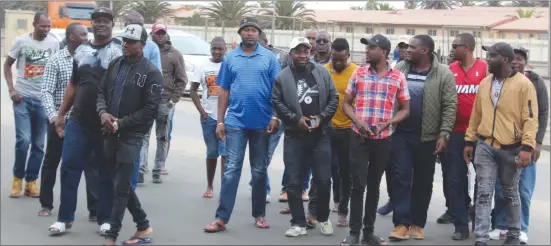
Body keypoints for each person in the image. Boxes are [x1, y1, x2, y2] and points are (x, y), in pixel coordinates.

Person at [203, 17, 281, 233]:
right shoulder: (230, 59)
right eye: (246, 30)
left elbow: (277, 91)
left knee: (259, 170)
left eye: (253, 30)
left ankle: (259, 215)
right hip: (235, 122)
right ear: (240, 33)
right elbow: (223, 90)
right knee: (231, 170)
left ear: (259, 34)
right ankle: (221, 218)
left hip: (262, 123)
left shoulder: (269, 58)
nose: (249, 33)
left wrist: (276, 117)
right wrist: (220, 120)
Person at [48, 7, 120, 236]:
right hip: (78, 121)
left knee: (104, 172)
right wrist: (61, 115)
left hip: (105, 123)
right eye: (96, 21)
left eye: (105, 21)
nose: (100, 24)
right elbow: (73, 85)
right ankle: (64, 219)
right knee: (69, 167)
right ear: (92, 24)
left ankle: (105, 218)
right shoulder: (82, 51)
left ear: (112, 24)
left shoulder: (119, 51)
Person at [463, 42, 539, 246]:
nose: (487, 59)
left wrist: (527, 147)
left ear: (505, 59)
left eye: (492, 56)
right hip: (486, 145)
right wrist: (469, 140)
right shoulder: (486, 83)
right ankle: (481, 236)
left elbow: (531, 119)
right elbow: (476, 114)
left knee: (510, 192)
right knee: (484, 192)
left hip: (511, 148)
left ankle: (514, 233)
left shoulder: (524, 85)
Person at [340, 35, 410, 246]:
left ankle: (368, 232)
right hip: (359, 137)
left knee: (374, 185)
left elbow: (406, 109)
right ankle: (354, 233)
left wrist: (388, 123)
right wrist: (357, 121)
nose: (367, 51)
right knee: (358, 185)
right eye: (367, 47)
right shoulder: (359, 73)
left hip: (383, 139)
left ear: (384, 52)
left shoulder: (397, 77)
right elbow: (346, 104)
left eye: (372, 47)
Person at [96, 23, 161, 246]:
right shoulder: (115, 64)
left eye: (132, 42)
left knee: (120, 188)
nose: (126, 45)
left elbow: (149, 111)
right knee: (120, 183)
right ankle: (143, 226)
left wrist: (120, 123)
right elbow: (101, 92)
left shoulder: (151, 72)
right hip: (109, 132)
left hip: (132, 136)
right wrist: (103, 114)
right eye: (125, 40)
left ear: (143, 45)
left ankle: (111, 236)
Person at [389, 35, 457, 241]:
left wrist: (443, 134)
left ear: (425, 51)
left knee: (423, 181)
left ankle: (417, 223)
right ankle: (401, 223)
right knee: (400, 178)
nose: (407, 50)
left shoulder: (443, 73)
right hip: (401, 134)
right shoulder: (400, 68)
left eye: (412, 47)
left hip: (427, 137)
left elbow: (449, 106)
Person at [271, 36, 339, 237]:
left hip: (320, 136)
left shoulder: (322, 72)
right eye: (298, 51)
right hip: (295, 136)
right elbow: (277, 101)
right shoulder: (282, 77)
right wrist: (295, 119)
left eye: (305, 51)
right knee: (294, 181)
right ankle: (298, 222)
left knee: (324, 180)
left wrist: (322, 117)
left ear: (310, 52)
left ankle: (323, 218)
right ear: (291, 54)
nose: (302, 55)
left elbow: (334, 98)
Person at [39, 23, 100, 220]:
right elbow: (46, 91)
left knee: (91, 165)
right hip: (60, 120)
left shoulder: (91, 60)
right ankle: (46, 204)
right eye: (82, 34)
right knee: (52, 161)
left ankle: (95, 209)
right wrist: (55, 117)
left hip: (83, 121)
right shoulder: (56, 60)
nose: (86, 37)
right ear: (72, 37)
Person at [488, 45, 549, 245]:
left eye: (520, 58)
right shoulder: (497, 81)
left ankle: (521, 227)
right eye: (512, 57)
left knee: (523, 189)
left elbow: (541, 114)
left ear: (525, 61)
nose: (515, 61)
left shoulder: (535, 81)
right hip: (502, 145)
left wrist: (536, 143)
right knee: (500, 187)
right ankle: (500, 225)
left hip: (526, 145)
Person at [4, 12, 59, 198]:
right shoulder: (21, 41)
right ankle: (17, 179)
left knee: (38, 144)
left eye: (48, 26)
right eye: (42, 26)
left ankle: (31, 182)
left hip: (43, 100)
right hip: (23, 99)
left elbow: (56, 70)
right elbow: (7, 65)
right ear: (34, 25)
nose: (46, 29)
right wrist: (12, 90)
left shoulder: (53, 43)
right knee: (24, 140)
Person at [438, 33, 487, 240]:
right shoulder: (450, 70)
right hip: (455, 133)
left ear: (466, 48)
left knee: (482, 179)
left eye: (455, 46)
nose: (452, 49)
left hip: (480, 134)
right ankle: (460, 224)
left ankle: (477, 216)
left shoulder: (485, 69)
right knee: (455, 179)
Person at [135, 22, 187, 185]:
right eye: (158, 33)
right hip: (147, 101)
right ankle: (142, 168)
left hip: (165, 101)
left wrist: (173, 100)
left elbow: (181, 79)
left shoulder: (174, 54)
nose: (160, 35)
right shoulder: (145, 50)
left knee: (162, 137)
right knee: (143, 135)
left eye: (163, 33)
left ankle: (158, 169)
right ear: (152, 34)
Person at [122, 11, 164, 188]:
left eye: (139, 24)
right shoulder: (119, 42)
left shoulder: (151, 47)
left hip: (142, 101)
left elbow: (157, 75)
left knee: (142, 137)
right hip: (120, 102)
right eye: (131, 23)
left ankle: (138, 169)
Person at [323, 38, 359, 227]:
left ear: (348, 56)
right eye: (334, 59)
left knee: (346, 172)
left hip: (348, 130)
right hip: (327, 129)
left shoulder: (356, 72)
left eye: (341, 60)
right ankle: (320, 210)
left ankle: (343, 208)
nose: (337, 63)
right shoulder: (323, 71)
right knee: (325, 170)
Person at [249, 32, 289, 203]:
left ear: (266, 43)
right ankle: (260, 185)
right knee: (262, 155)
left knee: (267, 155)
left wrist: (276, 116)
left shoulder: (277, 59)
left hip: (275, 115)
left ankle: (260, 185)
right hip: (256, 116)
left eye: (259, 43)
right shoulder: (250, 60)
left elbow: (280, 89)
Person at [190, 37, 227, 199]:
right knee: (212, 152)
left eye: (220, 49)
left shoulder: (229, 65)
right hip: (209, 117)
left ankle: (225, 187)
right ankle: (210, 185)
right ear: (210, 49)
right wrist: (202, 112)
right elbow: (193, 90)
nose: (217, 52)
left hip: (227, 117)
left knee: (226, 153)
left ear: (226, 49)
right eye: (214, 48)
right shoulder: (202, 66)